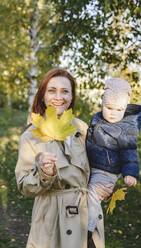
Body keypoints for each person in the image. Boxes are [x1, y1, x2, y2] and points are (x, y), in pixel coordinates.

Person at [15, 68, 113, 248]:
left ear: (72, 96)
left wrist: (103, 187)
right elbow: (24, 186)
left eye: (65, 91)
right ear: (42, 95)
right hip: (53, 223)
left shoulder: (82, 128)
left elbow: (96, 168)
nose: (58, 97)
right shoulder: (31, 135)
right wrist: (44, 173)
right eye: (52, 90)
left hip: (86, 218)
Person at [86, 78, 141, 236]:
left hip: (107, 170)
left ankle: (88, 231)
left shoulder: (125, 128)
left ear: (125, 108)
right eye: (108, 107)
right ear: (102, 103)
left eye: (119, 109)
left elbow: (129, 151)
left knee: (93, 194)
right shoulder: (97, 118)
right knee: (83, 193)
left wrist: (130, 173)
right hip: (93, 165)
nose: (113, 113)